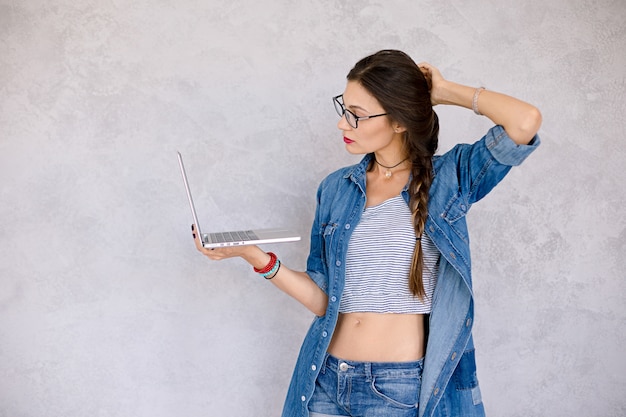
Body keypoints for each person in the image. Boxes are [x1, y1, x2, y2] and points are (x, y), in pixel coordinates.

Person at [192, 49, 542, 417]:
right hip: (324, 379)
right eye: (344, 110)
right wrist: (255, 257)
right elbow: (325, 300)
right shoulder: (335, 189)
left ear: (399, 122)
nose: (342, 125)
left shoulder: (450, 179)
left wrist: (444, 91)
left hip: (398, 386)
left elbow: (524, 122)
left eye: (356, 116)